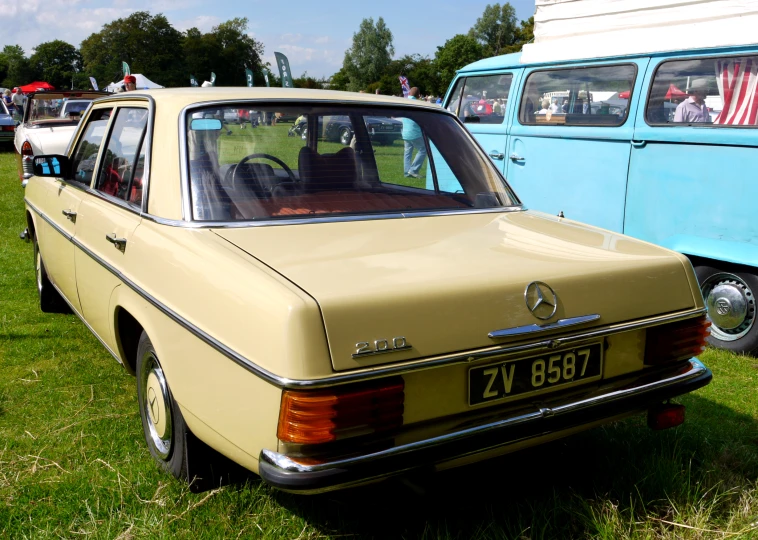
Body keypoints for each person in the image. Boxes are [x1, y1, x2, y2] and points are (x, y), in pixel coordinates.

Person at [401, 87, 427, 179]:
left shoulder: (404, 102)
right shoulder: (417, 104)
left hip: (405, 132)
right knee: (423, 149)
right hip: (414, 132)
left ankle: (406, 172)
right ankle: (413, 170)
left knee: (407, 153)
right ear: (418, 95)